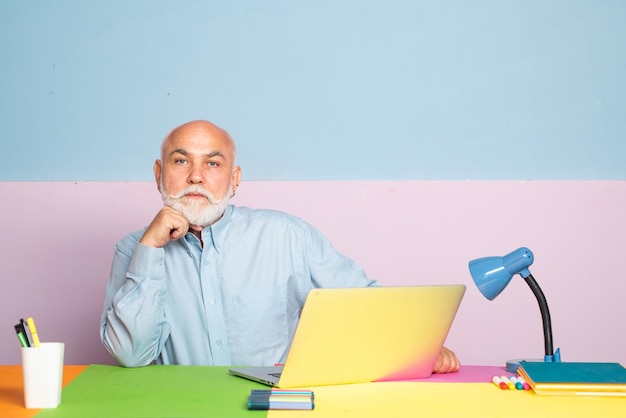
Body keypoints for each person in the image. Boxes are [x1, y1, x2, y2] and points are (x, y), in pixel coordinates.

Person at [100, 120, 460, 373]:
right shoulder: (133, 249)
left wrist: (418, 348)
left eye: (213, 162)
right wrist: (150, 248)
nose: (196, 175)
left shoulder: (288, 236)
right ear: (159, 173)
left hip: (274, 408)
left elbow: (365, 304)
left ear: (234, 179)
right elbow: (132, 355)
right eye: (181, 161)